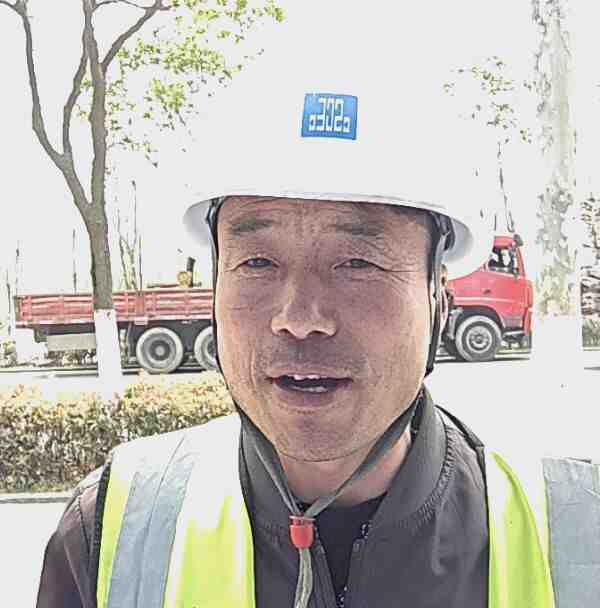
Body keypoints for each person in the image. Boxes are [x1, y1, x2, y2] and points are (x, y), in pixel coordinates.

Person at [36, 6, 595, 608]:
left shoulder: (578, 536)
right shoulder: (114, 533)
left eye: (357, 263)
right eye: (258, 262)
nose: (300, 318)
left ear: (439, 296)